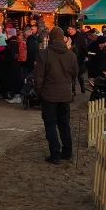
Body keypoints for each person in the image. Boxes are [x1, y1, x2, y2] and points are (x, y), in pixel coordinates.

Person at [34, 26, 79, 164]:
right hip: (64, 94)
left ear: (51, 39)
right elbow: (75, 74)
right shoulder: (71, 55)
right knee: (64, 123)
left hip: (49, 95)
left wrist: (39, 92)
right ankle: (67, 151)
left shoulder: (44, 54)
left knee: (50, 124)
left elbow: (38, 77)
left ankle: (55, 154)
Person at [68, 24, 89, 93]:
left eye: (69, 29)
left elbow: (84, 48)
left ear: (74, 29)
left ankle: (82, 87)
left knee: (80, 74)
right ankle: (73, 91)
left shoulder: (80, 37)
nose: (68, 30)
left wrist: (86, 56)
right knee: (72, 76)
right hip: (70, 58)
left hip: (79, 58)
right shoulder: (68, 37)